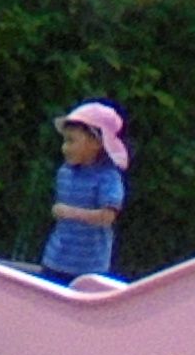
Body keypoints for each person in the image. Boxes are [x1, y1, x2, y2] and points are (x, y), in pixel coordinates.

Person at [41, 100, 130, 286]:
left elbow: (107, 217)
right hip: (55, 260)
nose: (64, 148)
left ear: (96, 142)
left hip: (89, 267)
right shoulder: (64, 172)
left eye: (71, 141)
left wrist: (71, 213)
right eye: (64, 141)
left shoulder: (108, 177)